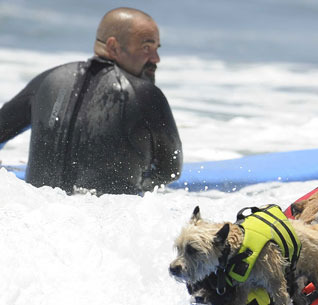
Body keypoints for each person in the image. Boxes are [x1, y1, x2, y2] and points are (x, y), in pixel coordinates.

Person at [0, 7, 182, 195]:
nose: (156, 59)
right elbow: (170, 171)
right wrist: (138, 186)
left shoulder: (49, 79)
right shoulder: (146, 94)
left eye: (156, 49)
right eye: (146, 48)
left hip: (35, 211)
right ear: (113, 46)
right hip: (106, 218)